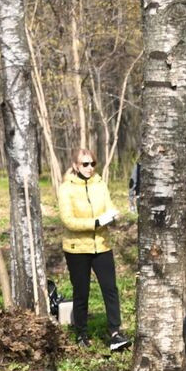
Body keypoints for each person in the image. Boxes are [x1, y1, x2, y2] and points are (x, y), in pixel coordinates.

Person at [56, 148, 130, 351]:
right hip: (77, 249)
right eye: (84, 164)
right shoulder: (66, 189)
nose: (89, 168)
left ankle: (115, 332)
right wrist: (96, 222)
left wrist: (112, 215)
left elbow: (109, 206)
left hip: (102, 245)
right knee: (82, 292)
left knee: (110, 289)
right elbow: (69, 221)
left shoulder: (100, 184)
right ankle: (81, 333)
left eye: (92, 164)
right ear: (75, 166)